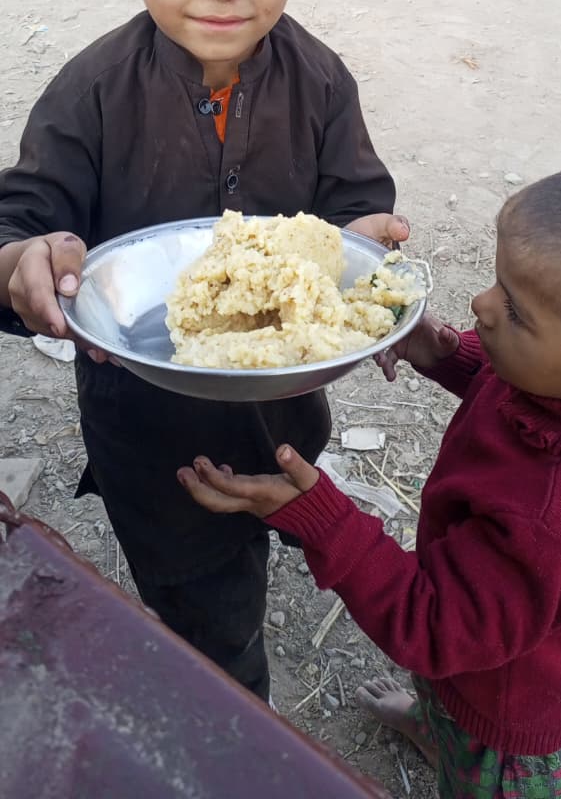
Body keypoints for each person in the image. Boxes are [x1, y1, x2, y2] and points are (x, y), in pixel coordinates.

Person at [0, 0, 408, 704]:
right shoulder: (89, 93)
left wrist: (363, 249)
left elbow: (355, 203)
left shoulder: (320, 80)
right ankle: (233, 707)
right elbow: (18, 221)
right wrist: (25, 261)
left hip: (285, 409)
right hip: (151, 430)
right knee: (203, 608)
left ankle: (258, 553)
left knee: (279, 515)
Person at [179, 172, 561, 795]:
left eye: (514, 310)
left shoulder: (543, 520)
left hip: (506, 719)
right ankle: (434, 724)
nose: (481, 304)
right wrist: (448, 356)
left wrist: (323, 519)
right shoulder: (543, 388)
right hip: (478, 634)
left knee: (469, 739)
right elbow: (509, 392)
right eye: (497, 284)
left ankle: (454, 744)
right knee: (444, 694)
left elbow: (434, 624)